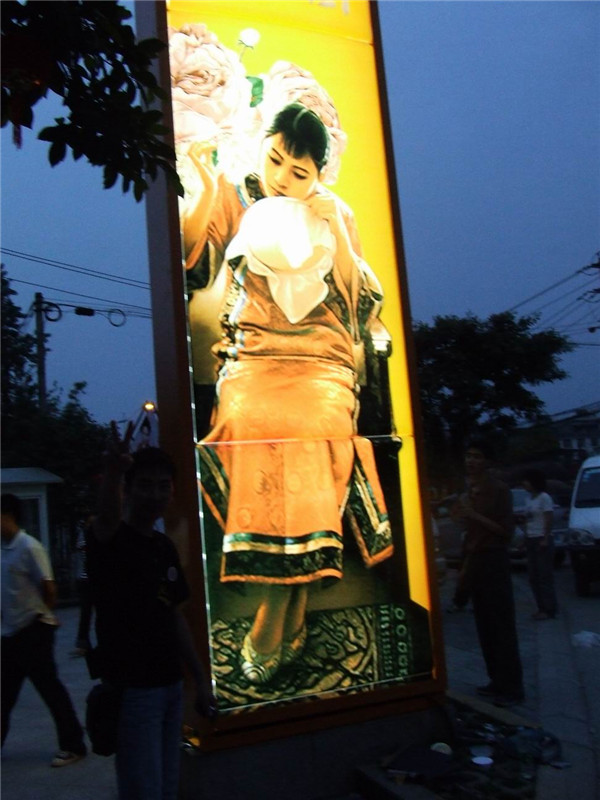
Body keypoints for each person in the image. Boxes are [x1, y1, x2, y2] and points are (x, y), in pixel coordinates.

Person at [188, 103, 394, 684]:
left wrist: (338, 234)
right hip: (255, 356)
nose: (281, 177)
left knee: (313, 426)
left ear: (318, 174)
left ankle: (270, 619)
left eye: (299, 172)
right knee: (249, 419)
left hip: (320, 361)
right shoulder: (238, 197)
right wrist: (205, 181)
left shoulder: (335, 212)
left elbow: (356, 304)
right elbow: (192, 256)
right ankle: (291, 611)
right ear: (264, 147)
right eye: (275, 160)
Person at [87, 425, 214, 800]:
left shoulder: (163, 547)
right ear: (127, 489)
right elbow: (106, 519)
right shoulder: (110, 540)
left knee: (167, 786)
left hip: (171, 685)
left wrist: (200, 679)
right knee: (143, 789)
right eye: (144, 485)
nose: (155, 494)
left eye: (163, 486)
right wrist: (114, 470)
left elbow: (175, 616)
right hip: (133, 691)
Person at [1, 493, 87, 767]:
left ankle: (73, 744)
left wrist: (43, 615)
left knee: (50, 689)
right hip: (10, 632)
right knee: (4, 693)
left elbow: (49, 587)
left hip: (33, 630)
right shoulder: (3, 549)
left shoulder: (29, 547)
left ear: (8, 516)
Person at [451, 440, 524, 708]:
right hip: (474, 559)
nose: (471, 461)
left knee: (501, 624)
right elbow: (463, 523)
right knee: (484, 624)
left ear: (487, 462)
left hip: (493, 558)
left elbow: (505, 532)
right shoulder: (470, 490)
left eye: (477, 456)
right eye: (468, 456)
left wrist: (473, 515)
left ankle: (512, 687)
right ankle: (496, 680)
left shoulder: (499, 490)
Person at [522, 468, 558, 620]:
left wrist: (545, 537)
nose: (524, 484)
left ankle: (549, 609)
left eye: (526, 481)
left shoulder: (545, 498)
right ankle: (541, 607)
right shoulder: (528, 499)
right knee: (533, 576)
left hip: (541, 539)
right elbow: (527, 519)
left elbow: (549, 518)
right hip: (531, 538)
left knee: (544, 576)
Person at [70, 520, 93, 657]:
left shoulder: (86, 533)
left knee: (86, 612)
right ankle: (83, 643)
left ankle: (83, 643)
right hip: (86, 577)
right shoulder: (84, 532)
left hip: (89, 577)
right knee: (86, 612)